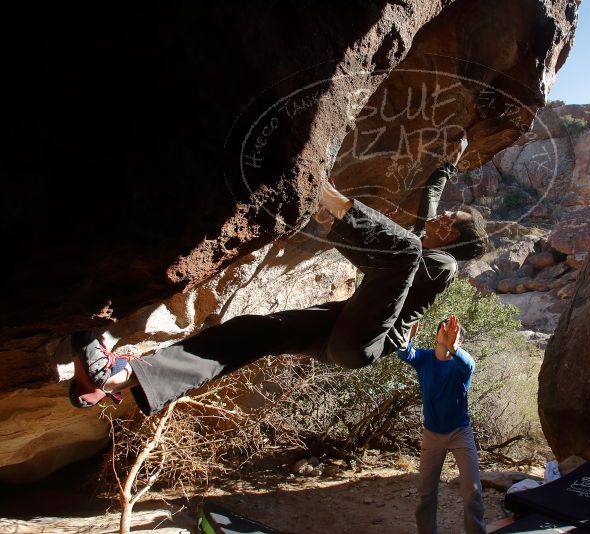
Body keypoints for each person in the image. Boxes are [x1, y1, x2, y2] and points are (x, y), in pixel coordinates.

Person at [69, 140, 489, 415]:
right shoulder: (425, 241)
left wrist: (338, 218)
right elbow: (429, 199)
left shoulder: (442, 265)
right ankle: (116, 375)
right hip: (341, 328)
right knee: (252, 332)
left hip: (364, 343)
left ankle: (323, 191)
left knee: (405, 250)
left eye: (451, 218)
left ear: (451, 234)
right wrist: (451, 161)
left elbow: (398, 263)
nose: (442, 215)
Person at [398, 315, 485, 534]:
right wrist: (409, 333)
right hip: (432, 434)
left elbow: (470, 365)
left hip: (460, 432)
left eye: (451, 333)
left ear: (459, 341)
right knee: (426, 492)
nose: (445, 333)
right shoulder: (425, 359)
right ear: (437, 334)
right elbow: (404, 352)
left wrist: (453, 347)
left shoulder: (459, 366)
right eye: (443, 330)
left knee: (472, 491)